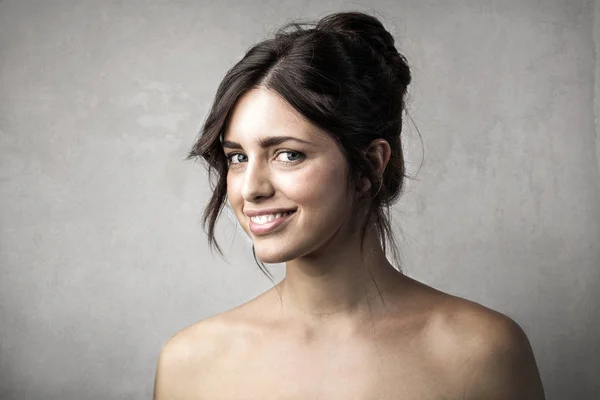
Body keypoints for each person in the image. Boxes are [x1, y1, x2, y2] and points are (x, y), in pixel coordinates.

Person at [153, 11, 545, 399]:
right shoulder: (192, 362)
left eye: (288, 155)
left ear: (370, 165)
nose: (250, 189)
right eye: (237, 157)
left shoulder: (483, 352)